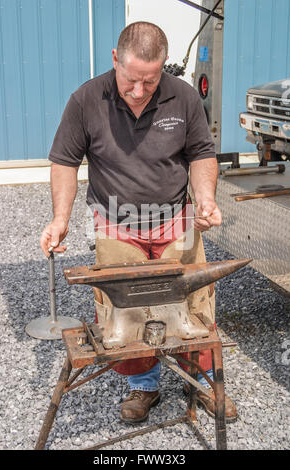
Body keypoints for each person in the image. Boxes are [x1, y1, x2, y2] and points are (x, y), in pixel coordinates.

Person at [40, 21, 237, 424]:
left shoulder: (182, 97)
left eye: (151, 81)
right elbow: (64, 161)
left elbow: (201, 153)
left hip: (176, 221)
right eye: (132, 79)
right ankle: (144, 385)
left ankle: (202, 379)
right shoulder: (86, 100)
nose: (139, 91)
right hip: (117, 225)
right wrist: (60, 218)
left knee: (194, 303)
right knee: (123, 313)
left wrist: (205, 198)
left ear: (163, 67)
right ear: (115, 59)